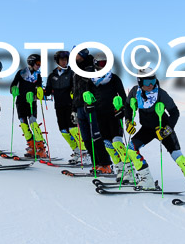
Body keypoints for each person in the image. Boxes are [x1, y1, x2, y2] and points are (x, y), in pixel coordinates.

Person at [124, 69, 185, 198]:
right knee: (130, 149)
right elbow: (127, 106)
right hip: (147, 129)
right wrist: (128, 121)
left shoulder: (161, 94)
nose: (151, 84)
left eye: (153, 80)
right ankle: (147, 180)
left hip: (162, 128)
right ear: (140, 82)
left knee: (177, 156)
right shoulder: (135, 92)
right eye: (147, 81)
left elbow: (175, 112)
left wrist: (167, 129)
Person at [87, 53, 132, 182]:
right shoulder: (92, 80)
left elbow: (123, 96)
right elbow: (88, 98)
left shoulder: (114, 78)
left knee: (117, 142)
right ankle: (119, 168)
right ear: (96, 64)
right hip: (100, 115)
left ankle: (129, 170)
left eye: (106, 64)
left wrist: (122, 109)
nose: (104, 67)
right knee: (107, 145)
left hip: (114, 114)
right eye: (102, 64)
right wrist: (88, 107)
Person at [72, 48, 112, 174]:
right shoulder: (75, 70)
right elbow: (75, 90)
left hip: (91, 106)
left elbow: (96, 86)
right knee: (86, 138)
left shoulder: (90, 67)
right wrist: (74, 109)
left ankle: (105, 164)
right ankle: (96, 164)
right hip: (79, 107)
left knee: (96, 137)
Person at [44, 50, 86, 162]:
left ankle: (85, 153)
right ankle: (77, 151)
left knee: (73, 129)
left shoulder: (72, 73)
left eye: (66, 60)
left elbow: (76, 88)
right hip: (59, 106)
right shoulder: (52, 76)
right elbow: (47, 91)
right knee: (63, 130)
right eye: (62, 59)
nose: (64, 62)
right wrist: (39, 91)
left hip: (70, 105)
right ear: (57, 61)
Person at [9, 54, 47, 159]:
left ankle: (41, 147)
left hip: (31, 102)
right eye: (38, 63)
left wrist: (37, 94)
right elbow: (13, 84)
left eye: (40, 64)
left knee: (33, 122)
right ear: (31, 63)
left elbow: (38, 88)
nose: (39, 66)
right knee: (24, 124)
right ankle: (31, 146)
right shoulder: (21, 73)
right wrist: (13, 89)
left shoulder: (38, 75)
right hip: (20, 102)